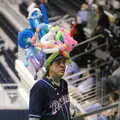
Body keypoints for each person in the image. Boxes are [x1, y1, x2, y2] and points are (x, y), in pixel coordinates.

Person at [29, 53, 71, 120]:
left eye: (64, 62)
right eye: (58, 62)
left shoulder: (64, 83)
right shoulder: (40, 87)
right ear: (49, 66)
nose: (63, 65)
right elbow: (34, 117)